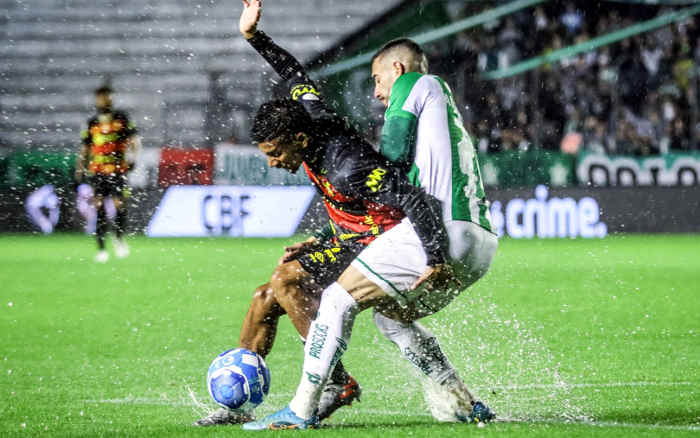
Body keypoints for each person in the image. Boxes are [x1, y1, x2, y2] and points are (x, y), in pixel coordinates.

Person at [242, 18, 498, 432]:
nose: (378, 93)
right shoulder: (314, 114)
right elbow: (294, 75)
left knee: (334, 300)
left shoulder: (408, 92)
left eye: (378, 80)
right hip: (480, 240)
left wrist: (433, 255)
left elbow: (401, 179)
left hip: (432, 230)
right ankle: (461, 401)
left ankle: (303, 408)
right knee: (389, 316)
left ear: (396, 71)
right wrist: (255, 37)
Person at [75, 85, 140, 263]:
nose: (104, 100)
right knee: (99, 207)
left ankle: (119, 238)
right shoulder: (92, 122)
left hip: (118, 170)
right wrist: (79, 171)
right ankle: (102, 249)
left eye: (107, 96)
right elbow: (85, 149)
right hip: (98, 171)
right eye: (101, 97)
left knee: (119, 204)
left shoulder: (122, 118)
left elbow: (134, 141)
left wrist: (133, 158)